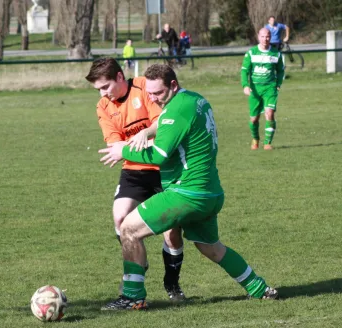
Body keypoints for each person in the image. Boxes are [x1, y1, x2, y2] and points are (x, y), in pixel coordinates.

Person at [98, 64, 278, 310]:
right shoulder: (197, 100)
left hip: (186, 192)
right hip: (209, 192)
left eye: (158, 93)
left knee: (128, 228)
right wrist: (148, 130)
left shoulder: (175, 111)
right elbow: (173, 127)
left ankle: (132, 297)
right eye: (149, 94)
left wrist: (123, 150)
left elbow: (160, 154)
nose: (152, 98)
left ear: (173, 85)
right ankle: (259, 288)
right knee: (211, 248)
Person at [85, 58, 187, 302]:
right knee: (120, 217)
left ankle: (172, 284)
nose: (102, 94)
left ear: (120, 77)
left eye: (106, 86)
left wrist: (142, 139)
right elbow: (114, 145)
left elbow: (164, 127)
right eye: (98, 89)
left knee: (171, 232)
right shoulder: (103, 106)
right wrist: (135, 144)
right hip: (134, 168)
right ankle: (137, 265)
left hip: (163, 167)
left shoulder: (145, 87)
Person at [241, 28, 285, 150]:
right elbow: (244, 71)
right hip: (255, 90)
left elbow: (281, 71)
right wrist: (245, 85)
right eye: (263, 36)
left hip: (270, 88)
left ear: (270, 37)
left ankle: (267, 143)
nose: (265, 39)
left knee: (269, 114)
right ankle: (255, 139)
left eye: (267, 36)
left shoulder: (276, 54)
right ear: (258, 37)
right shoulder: (251, 53)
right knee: (254, 119)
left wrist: (278, 84)